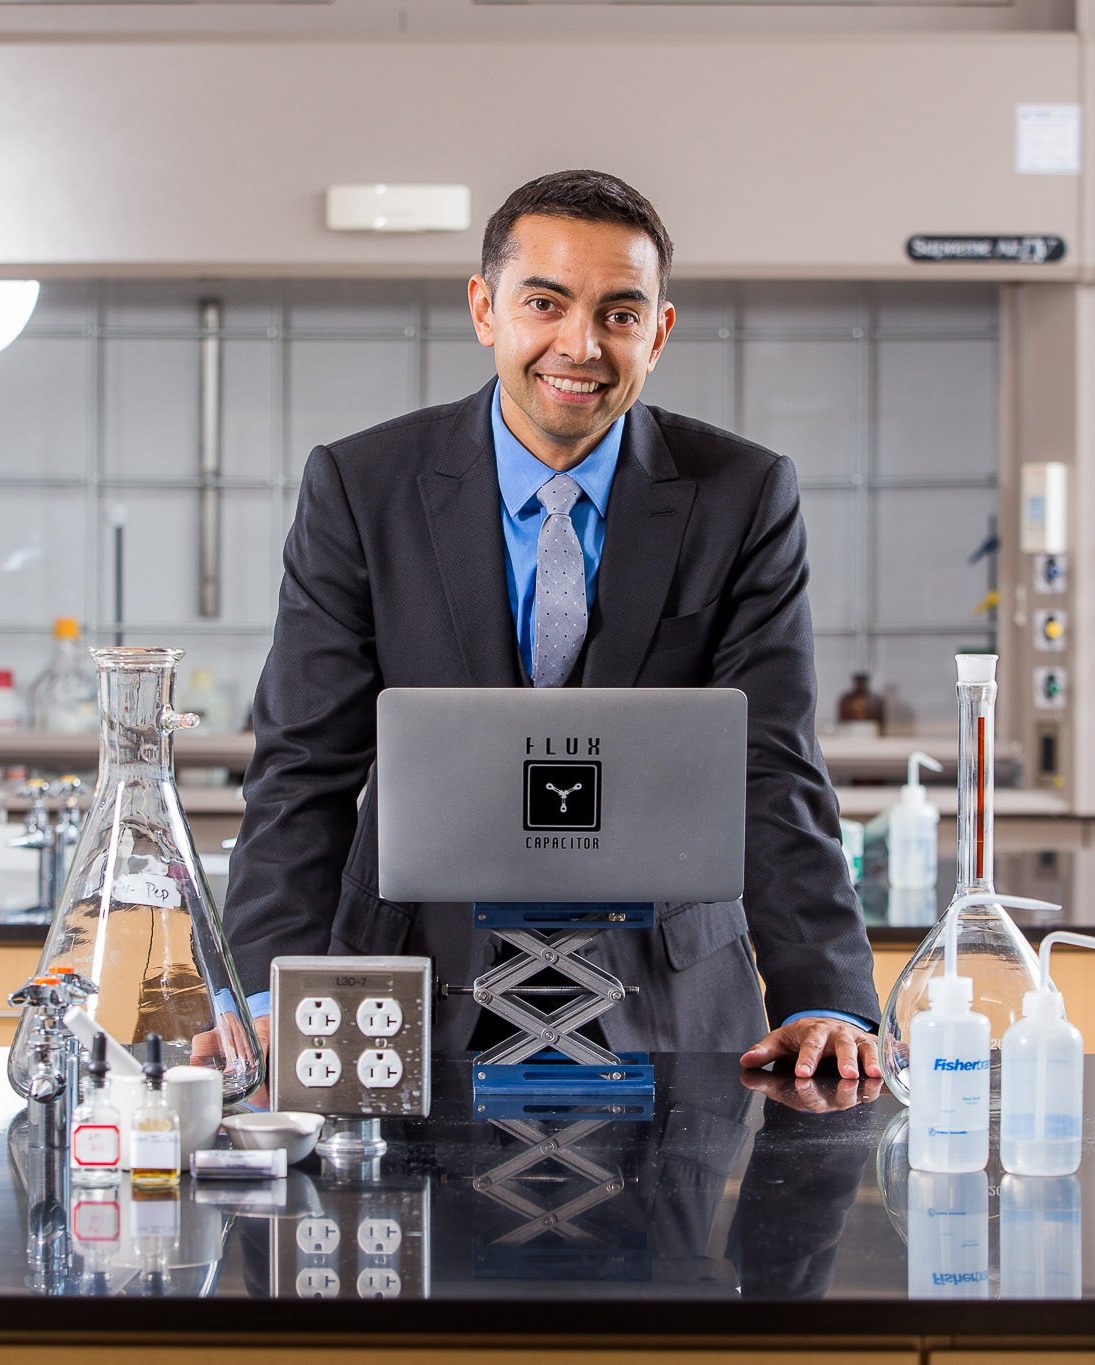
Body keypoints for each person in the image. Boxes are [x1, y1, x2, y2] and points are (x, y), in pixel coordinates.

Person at [220, 169, 881, 1081]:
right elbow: (302, 766)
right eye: (545, 302)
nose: (581, 345)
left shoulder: (742, 494)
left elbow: (771, 764)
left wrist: (824, 995)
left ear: (660, 330)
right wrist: (266, 992)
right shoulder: (362, 487)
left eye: (619, 312)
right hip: (407, 998)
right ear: (485, 309)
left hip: (670, 1002)